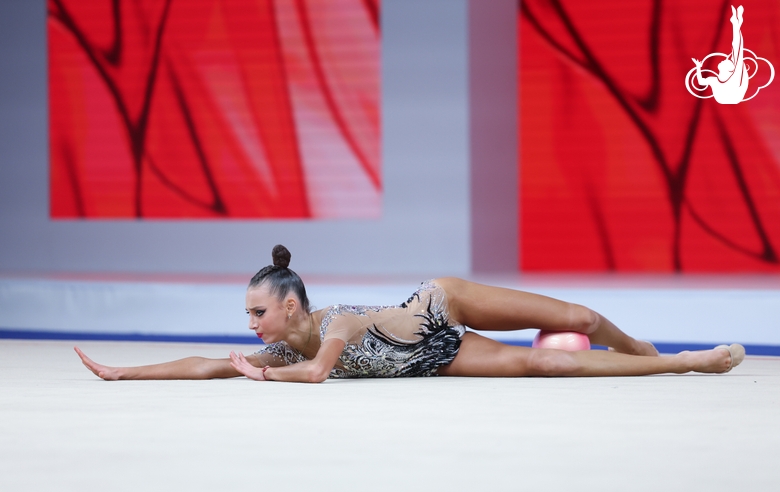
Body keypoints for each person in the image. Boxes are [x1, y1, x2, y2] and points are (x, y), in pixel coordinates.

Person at [75, 245, 745, 382]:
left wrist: (265, 375)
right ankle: (691, 361)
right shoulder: (288, 347)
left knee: (581, 317)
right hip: (436, 357)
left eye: (257, 312)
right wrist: (122, 373)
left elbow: (312, 380)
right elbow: (204, 365)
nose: (250, 326)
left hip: (436, 308)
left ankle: (649, 351)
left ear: (290, 305)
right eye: (247, 314)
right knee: (542, 362)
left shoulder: (330, 328)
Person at [692, 5, 748, 104]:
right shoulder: (717, 80)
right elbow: (701, 82)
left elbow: (737, 49)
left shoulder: (730, 78)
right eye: (728, 60)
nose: (725, 59)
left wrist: (698, 67)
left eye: (727, 61)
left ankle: (736, 23)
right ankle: (736, 23)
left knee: (737, 52)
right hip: (729, 97)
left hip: (732, 96)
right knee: (737, 53)